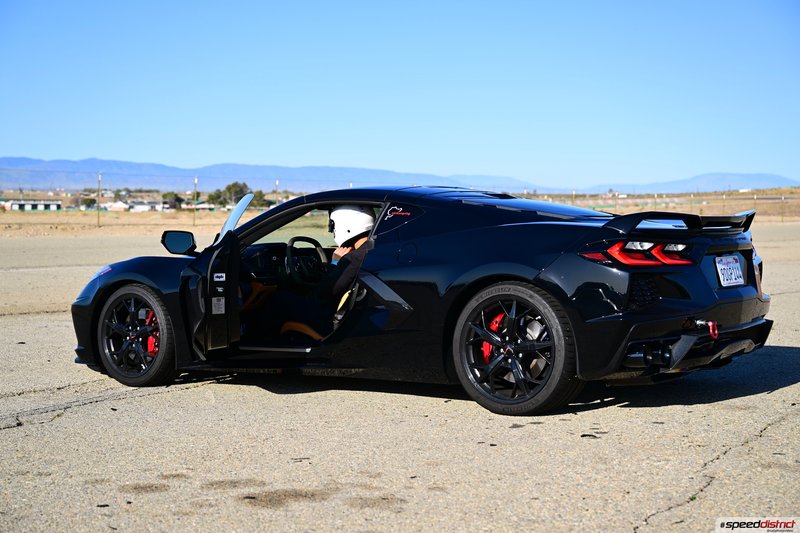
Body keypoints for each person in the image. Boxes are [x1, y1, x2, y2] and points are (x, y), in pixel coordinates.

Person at [243, 205, 375, 342]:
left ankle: (258, 344)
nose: (332, 230)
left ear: (346, 225)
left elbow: (326, 292)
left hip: (327, 318)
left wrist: (334, 263)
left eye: (333, 226)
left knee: (277, 298)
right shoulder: (370, 252)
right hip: (346, 313)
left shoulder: (353, 258)